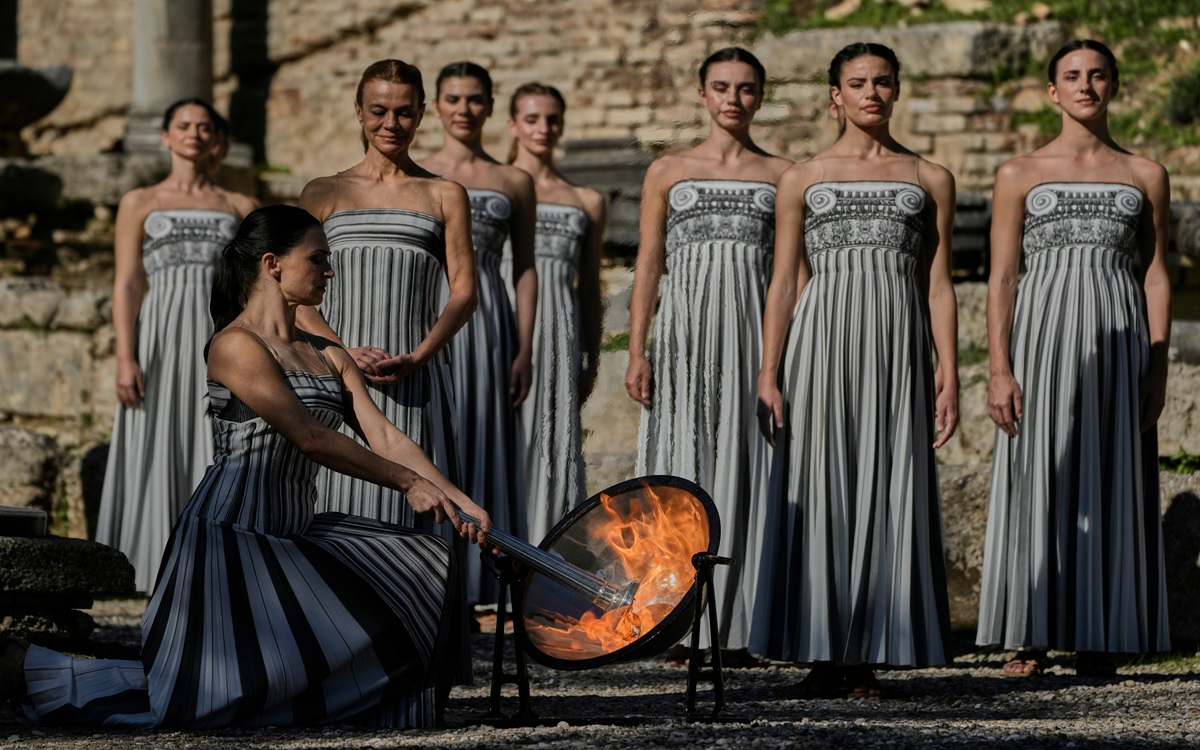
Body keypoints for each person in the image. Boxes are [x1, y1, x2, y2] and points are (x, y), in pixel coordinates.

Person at [3, 204, 492, 728]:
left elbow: (387, 437)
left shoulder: (329, 354)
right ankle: (30, 667)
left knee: (421, 564)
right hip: (230, 539)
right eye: (318, 259)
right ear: (272, 263)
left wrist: (459, 499)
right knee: (208, 701)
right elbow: (309, 437)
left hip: (292, 530)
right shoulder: (235, 345)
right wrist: (407, 483)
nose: (329, 272)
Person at [751, 43, 959, 697]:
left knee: (888, 480)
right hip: (820, 344)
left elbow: (939, 285)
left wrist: (949, 371)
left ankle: (870, 649)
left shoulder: (930, 177)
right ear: (835, 96)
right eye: (858, 82)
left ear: (897, 90)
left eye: (884, 82)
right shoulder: (802, 178)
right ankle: (820, 649)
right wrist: (768, 371)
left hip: (897, 348)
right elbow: (785, 282)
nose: (873, 93)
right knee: (819, 484)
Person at [976, 39, 1171, 677]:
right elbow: (1003, 277)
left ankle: (1100, 633)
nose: (1086, 85)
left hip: (1118, 343)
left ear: (1114, 85)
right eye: (1072, 76)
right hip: (1040, 341)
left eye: (1098, 75)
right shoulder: (1018, 173)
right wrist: (999, 367)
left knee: (1114, 475)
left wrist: (1159, 364)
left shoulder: (1145, 174)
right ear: (1052, 91)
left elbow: (1155, 275)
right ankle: (1029, 632)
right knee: (1037, 472)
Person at [624, 47, 791, 665]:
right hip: (684, 338)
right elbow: (649, 263)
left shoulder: (783, 174)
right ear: (702, 94)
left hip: (752, 337)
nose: (733, 99)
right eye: (721, 87)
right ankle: (675, 618)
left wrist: (781, 357)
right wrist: (637, 348)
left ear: (760, 96)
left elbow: (791, 273)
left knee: (749, 465)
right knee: (681, 461)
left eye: (745, 88)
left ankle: (742, 623)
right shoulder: (668, 170)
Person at [296, 59, 477, 528]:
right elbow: (295, 294)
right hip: (338, 374)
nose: (391, 124)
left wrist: (419, 357)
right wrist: (340, 353)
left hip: (416, 378)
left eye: (404, 112)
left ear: (421, 114)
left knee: (421, 507)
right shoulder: (322, 192)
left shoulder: (445, 194)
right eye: (379, 111)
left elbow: (464, 293)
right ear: (358, 111)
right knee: (339, 511)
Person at [95, 98, 258, 594]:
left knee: (217, 437)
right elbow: (127, 284)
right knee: (157, 432)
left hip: (220, 339)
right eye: (184, 125)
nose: (194, 133)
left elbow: (255, 289)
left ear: (218, 141)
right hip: (159, 339)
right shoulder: (139, 202)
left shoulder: (240, 205)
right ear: (166, 136)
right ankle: (147, 561)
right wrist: (126, 357)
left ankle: (210, 560)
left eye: (205, 127)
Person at [420, 61, 538, 604]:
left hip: (489, 321)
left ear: (490, 106)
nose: (463, 109)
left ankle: (485, 582)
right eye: (453, 99)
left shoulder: (514, 181)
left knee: (486, 437)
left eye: (474, 99)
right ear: (436, 107)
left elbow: (525, 268)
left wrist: (524, 348)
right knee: (434, 436)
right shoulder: (419, 173)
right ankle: (431, 575)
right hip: (429, 316)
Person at [506, 82, 605, 544]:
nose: (542, 128)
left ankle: (546, 554)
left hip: (558, 335)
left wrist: (593, 360)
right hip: (502, 325)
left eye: (551, 119)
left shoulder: (585, 200)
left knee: (551, 444)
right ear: (512, 125)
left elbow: (590, 289)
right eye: (532, 119)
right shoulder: (491, 191)